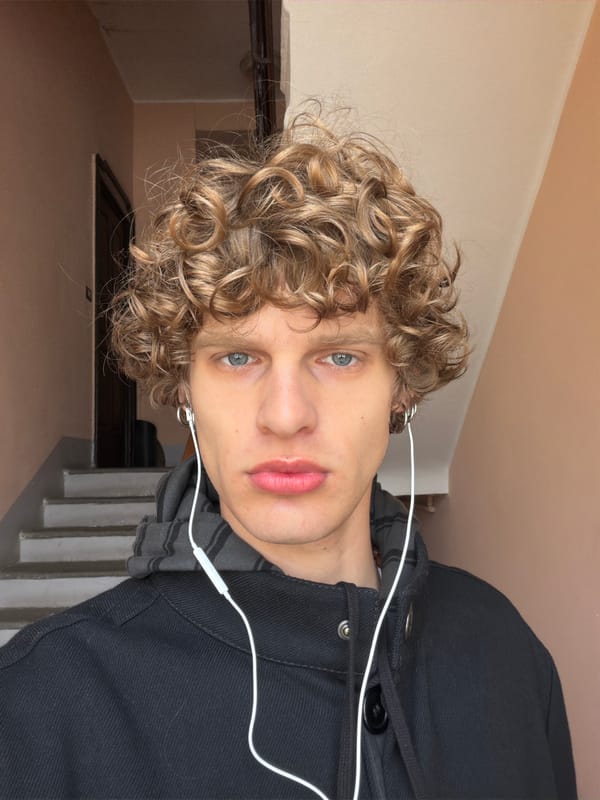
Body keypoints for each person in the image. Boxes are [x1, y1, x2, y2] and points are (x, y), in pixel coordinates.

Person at [0, 115, 576, 800]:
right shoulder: (44, 706)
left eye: (339, 356)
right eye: (238, 356)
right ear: (186, 389)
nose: (285, 415)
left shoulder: (505, 650)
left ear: (402, 386)